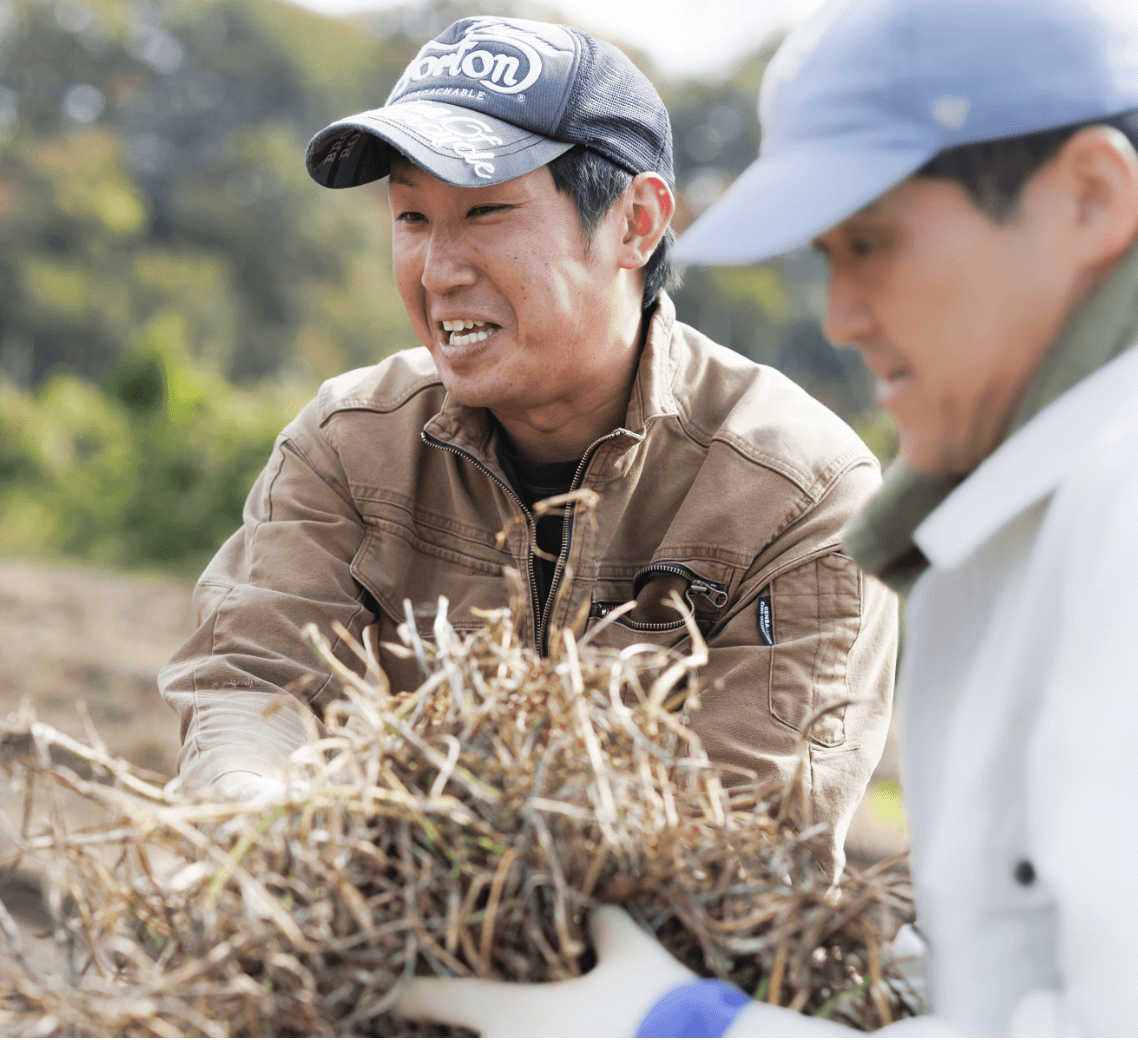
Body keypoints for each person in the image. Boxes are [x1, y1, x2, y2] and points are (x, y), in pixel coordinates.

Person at [395, 0, 1138, 1035]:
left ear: (1089, 196)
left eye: (871, 244)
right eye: (829, 255)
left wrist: (697, 1028)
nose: (842, 315)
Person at [156, 15, 898, 877]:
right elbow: (249, 680)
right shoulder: (349, 442)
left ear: (637, 223)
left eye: (486, 213)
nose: (438, 270)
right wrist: (258, 812)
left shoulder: (799, 493)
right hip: (375, 938)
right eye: (411, 217)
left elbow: (749, 835)